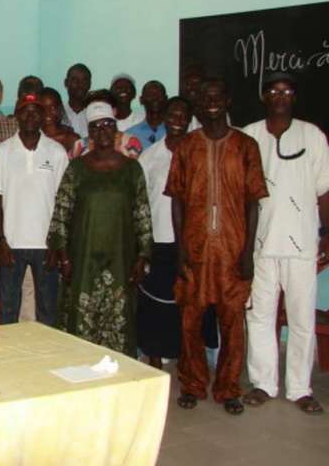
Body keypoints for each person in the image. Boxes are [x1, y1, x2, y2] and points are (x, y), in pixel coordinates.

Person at [165, 79, 268, 415]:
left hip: (232, 251)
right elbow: (177, 200)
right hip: (195, 250)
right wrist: (181, 248)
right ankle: (193, 384)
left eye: (217, 96)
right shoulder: (187, 147)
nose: (211, 102)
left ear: (228, 101)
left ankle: (228, 387)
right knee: (189, 322)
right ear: (199, 104)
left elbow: (254, 203)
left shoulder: (245, 146)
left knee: (232, 324)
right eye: (205, 97)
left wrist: (248, 252)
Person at [242, 73, 329, 415]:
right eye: (274, 91)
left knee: (301, 318)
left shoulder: (313, 135)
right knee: (259, 316)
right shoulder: (249, 135)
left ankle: (299, 388)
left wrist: (327, 234)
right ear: (264, 97)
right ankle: (263, 383)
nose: (280, 96)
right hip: (260, 244)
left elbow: (324, 190)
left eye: (287, 91)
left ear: (294, 97)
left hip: (302, 242)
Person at [47, 99, 152, 356]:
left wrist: (143, 256)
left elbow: (142, 214)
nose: (103, 131)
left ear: (115, 129)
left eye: (108, 125)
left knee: (120, 316)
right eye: (96, 127)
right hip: (83, 256)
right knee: (81, 318)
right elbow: (61, 212)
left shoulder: (131, 169)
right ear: (90, 133)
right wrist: (62, 254)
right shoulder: (77, 168)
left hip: (121, 256)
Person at [0, 93, 68, 326]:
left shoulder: (56, 152)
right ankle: (9, 358)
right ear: (17, 116)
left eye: (36, 111)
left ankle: (48, 358)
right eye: (25, 110)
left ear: (43, 116)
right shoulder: (2, 151)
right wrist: (1, 240)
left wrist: (57, 243)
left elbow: (63, 203)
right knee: (8, 310)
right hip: (11, 244)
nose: (30, 115)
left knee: (48, 310)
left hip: (46, 245)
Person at [137, 96, 192, 368]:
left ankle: (184, 357)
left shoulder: (198, 151)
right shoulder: (150, 156)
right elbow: (141, 202)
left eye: (183, 116)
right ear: (165, 118)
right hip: (159, 239)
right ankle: (154, 355)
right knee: (156, 302)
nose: (177, 121)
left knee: (185, 304)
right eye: (173, 115)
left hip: (192, 242)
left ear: (190, 119)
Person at [70, 90, 142, 159]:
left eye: (103, 108)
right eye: (91, 110)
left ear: (114, 111)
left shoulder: (131, 143)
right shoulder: (79, 146)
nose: (97, 113)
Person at [126, 81, 168, 150]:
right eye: (150, 95)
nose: (155, 98)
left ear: (166, 99)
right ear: (141, 100)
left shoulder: (175, 132)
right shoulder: (130, 134)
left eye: (159, 94)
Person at [38, 87, 79, 153]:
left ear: (60, 108)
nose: (47, 112)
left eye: (53, 107)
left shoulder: (71, 139)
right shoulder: (32, 138)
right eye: (43, 108)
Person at [62, 63, 91, 138]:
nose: (80, 84)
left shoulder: (95, 114)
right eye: (75, 80)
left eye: (84, 80)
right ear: (66, 83)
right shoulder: (59, 113)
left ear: (90, 84)